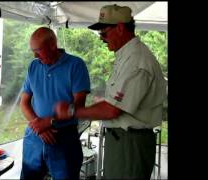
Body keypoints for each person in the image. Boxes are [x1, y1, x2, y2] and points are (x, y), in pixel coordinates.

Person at [54, 4, 167, 179]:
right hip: (123, 141)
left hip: (130, 145)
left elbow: (112, 110)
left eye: (104, 33)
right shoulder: (127, 55)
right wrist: (104, 101)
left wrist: (72, 111)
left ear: (120, 28)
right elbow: (116, 103)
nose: (101, 38)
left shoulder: (136, 60)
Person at [20, 27, 91, 180]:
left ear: (52, 45)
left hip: (64, 137)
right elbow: (24, 103)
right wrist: (39, 126)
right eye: (33, 50)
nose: (35, 55)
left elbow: (79, 107)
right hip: (34, 136)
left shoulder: (76, 65)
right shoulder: (33, 66)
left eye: (38, 50)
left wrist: (50, 122)